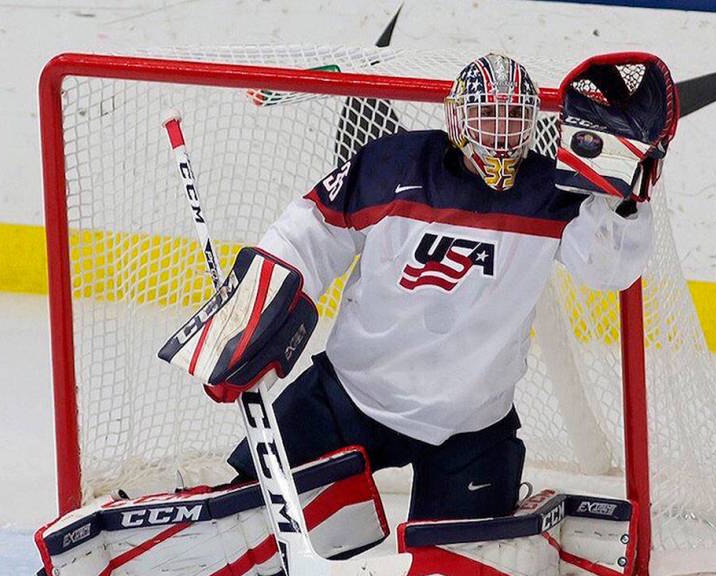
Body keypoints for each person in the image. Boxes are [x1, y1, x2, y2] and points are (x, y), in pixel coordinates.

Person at [225, 52, 654, 522]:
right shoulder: (393, 165)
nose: (500, 133)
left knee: (460, 557)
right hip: (354, 394)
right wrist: (256, 309)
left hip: (471, 424)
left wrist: (624, 197)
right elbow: (309, 232)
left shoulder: (550, 191)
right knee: (246, 512)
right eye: (486, 115)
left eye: (513, 117)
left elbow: (608, 270)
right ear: (457, 118)